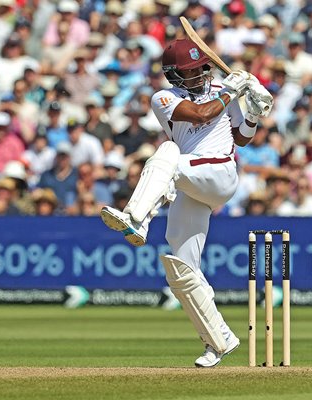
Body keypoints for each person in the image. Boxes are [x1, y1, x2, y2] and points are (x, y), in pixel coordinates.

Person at [99, 38, 273, 367]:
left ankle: (138, 218)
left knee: (169, 155)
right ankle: (218, 340)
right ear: (174, 75)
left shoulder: (223, 88)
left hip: (220, 174)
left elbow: (243, 138)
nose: (200, 75)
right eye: (190, 71)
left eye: (200, 69)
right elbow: (201, 113)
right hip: (192, 182)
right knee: (181, 267)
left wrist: (253, 111)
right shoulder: (163, 98)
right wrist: (232, 90)